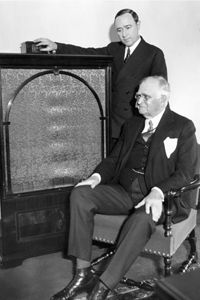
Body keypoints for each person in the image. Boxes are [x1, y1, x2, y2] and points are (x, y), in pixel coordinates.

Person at [50, 75, 198, 300]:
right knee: (80, 193)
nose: (137, 101)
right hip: (125, 191)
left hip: (160, 198)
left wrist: (158, 192)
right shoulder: (132, 124)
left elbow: (186, 173)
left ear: (164, 99)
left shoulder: (182, 127)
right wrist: (96, 177)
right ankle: (82, 274)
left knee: (142, 218)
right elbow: (113, 159)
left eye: (145, 97)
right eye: (138, 95)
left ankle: (103, 287)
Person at [34, 8, 167, 145]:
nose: (124, 34)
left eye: (128, 27)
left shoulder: (154, 54)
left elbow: (161, 96)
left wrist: (156, 130)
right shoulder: (114, 49)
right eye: (119, 30)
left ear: (138, 25)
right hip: (113, 125)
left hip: (137, 126)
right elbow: (88, 53)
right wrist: (57, 46)